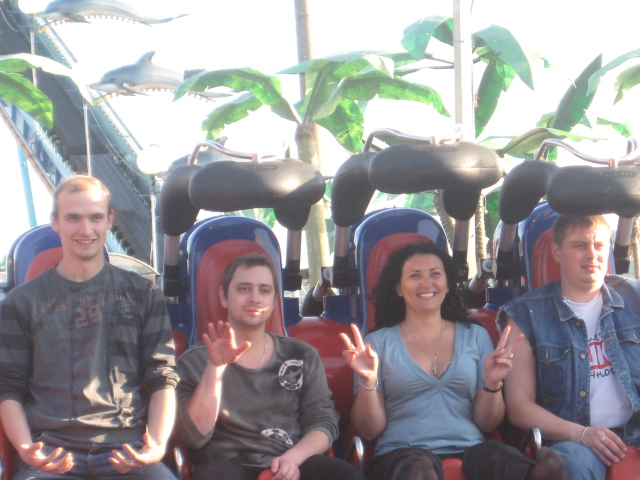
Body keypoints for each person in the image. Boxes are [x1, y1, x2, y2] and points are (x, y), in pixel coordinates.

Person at [0, 174, 179, 480]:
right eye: (73, 218)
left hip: (127, 448)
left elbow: (162, 376)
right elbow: (8, 386)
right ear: (55, 222)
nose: (86, 230)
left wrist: (158, 445)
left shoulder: (144, 294)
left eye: (95, 217)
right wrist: (26, 448)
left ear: (109, 220)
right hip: (52, 449)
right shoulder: (22, 301)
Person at [340, 241, 566, 480]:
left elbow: (487, 425)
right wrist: (368, 382)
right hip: (401, 453)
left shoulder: (475, 335)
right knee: (417, 469)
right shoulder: (376, 343)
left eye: (435, 274)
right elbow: (369, 430)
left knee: (498, 457)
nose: (426, 283)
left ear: (448, 284)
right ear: (398, 288)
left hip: (471, 448)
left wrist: (492, 384)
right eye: (415, 276)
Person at [175, 253, 365, 480]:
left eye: (264, 290)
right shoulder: (194, 361)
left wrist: (292, 460)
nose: (254, 298)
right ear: (223, 296)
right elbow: (194, 437)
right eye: (243, 289)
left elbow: (323, 422)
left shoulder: (301, 354)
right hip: (227, 467)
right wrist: (215, 368)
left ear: (274, 300)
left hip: (294, 461)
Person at [502, 214, 640, 480]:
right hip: (573, 441)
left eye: (599, 245)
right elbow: (519, 406)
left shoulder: (636, 298)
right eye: (579, 245)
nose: (592, 255)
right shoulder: (525, 314)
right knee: (569, 465)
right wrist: (582, 434)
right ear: (557, 252)